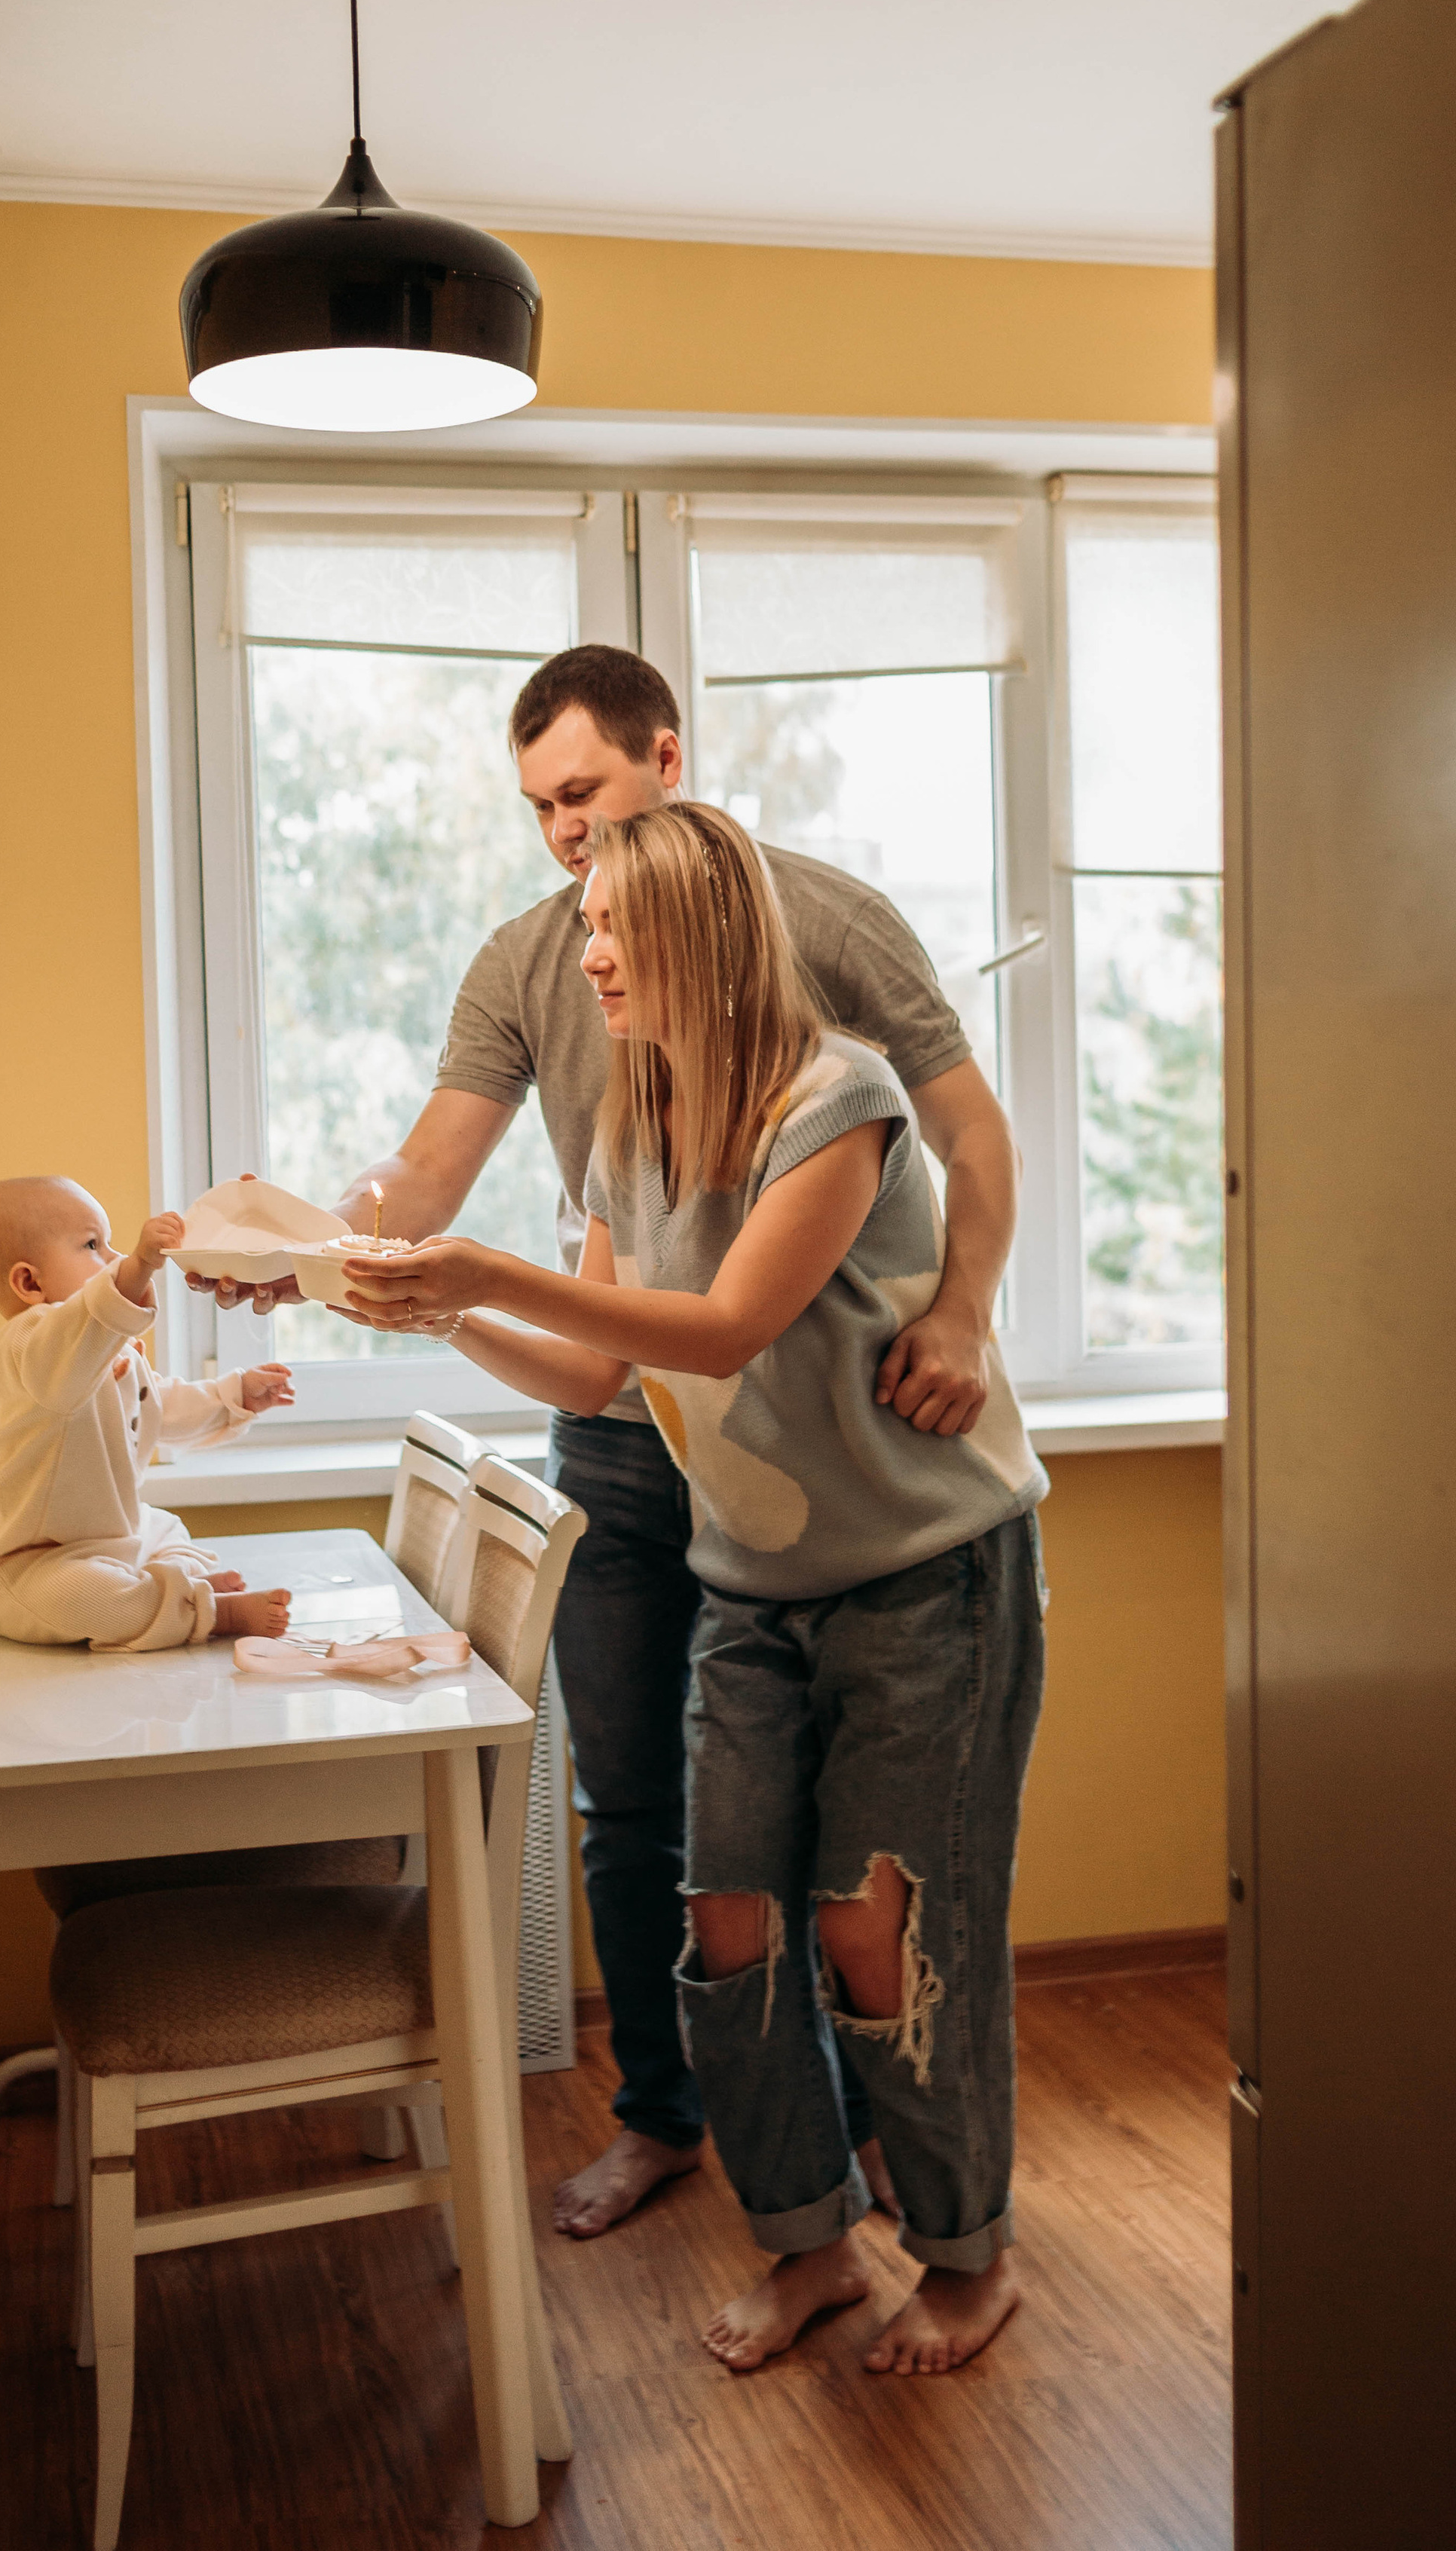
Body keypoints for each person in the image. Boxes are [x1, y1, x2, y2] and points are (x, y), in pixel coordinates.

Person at [193, 647, 1019, 2237]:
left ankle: (887, 2178)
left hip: (838, 1456)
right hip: (658, 1445)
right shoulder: (549, 982)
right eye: (537, 812)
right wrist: (312, 1242)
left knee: (852, 1885)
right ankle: (688, 2132)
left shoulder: (823, 961)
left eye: (580, 795)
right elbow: (453, 1219)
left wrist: (963, 1311)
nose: (563, 838)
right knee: (659, 1829)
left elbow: (951, 1144)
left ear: (662, 756)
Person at [338, 803, 1048, 2375]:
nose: (582, 955)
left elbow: (719, 1327)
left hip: (924, 1585)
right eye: (581, 928)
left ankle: (961, 2251)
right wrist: (439, 1320)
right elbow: (596, 1363)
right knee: (724, 1925)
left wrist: (465, 1264)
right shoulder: (623, 1122)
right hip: (752, 1587)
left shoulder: (840, 1103)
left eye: (610, 932)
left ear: (703, 944)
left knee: (883, 1943)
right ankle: (804, 2242)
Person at [0, 1175, 295, 1648]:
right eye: (93, 1245)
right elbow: (72, 1350)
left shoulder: (109, 1351)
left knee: (166, 1528)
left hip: (116, 1542)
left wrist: (232, 1395)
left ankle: (178, 1591)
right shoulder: (28, 1345)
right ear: (29, 1283)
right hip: (31, 1564)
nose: (114, 1258)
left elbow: (160, 1405)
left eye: (112, 1246)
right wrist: (138, 1267)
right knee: (84, 1596)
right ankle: (210, 1612)